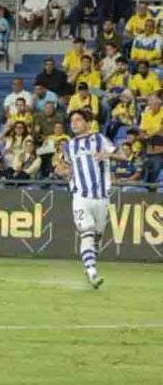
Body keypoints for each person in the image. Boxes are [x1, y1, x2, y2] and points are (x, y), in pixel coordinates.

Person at [57, 109, 123, 289]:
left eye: (78, 120)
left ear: (87, 122)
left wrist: (106, 155)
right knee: (87, 232)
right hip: (80, 197)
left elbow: (123, 155)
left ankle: (89, 267)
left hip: (101, 198)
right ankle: (92, 271)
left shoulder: (99, 139)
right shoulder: (69, 146)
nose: (74, 123)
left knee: (97, 238)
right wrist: (63, 172)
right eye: (72, 121)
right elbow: (62, 168)